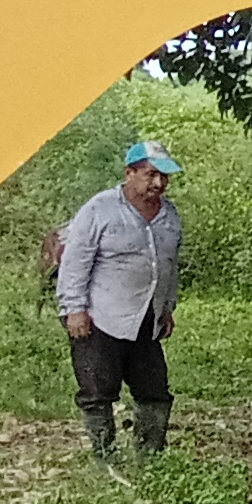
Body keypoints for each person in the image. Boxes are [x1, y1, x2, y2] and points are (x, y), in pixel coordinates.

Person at [57, 140, 184, 460]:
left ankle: (150, 456)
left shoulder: (169, 215)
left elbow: (169, 265)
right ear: (129, 174)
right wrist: (74, 310)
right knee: (97, 390)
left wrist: (167, 308)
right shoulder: (99, 210)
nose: (159, 183)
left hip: (146, 316)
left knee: (154, 390)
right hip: (100, 316)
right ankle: (105, 457)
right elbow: (75, 261)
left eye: (164, 177)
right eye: (150, 175)